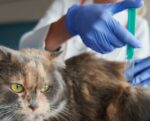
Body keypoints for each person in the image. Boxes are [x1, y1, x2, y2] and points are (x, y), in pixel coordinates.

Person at [19, 0, 150, 87]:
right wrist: (68, 23)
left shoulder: (139, 26)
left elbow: (138, 82)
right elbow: (24, 52)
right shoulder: (66, 3)